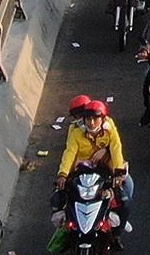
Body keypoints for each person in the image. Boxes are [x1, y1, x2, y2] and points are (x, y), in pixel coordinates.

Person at [56, 96, 133, 231]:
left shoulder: (109, 128)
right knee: (61, 195)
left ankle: (119, 223)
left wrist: (118, 172)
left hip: (103, 168)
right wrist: (63, 174)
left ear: (102, 119)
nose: (91, 123)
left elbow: (116, 148)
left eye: (95, 119)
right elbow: (69, 153)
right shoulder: (76, 132)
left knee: (126, 190)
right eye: (87, 118)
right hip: (82, 169)